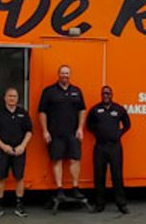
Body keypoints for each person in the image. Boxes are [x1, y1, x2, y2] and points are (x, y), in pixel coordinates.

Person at [38, 64, 87, 201]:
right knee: (57, 160)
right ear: (58, 74)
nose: (65, 75)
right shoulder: (49, 91)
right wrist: (45, 131)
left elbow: (82, 110)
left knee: (75, 159)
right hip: (55, 133)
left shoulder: (77, 91)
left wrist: (80, 128)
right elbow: (42, 112)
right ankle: (59, 189)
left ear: (70, 75)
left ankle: (75, 188)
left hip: (73, 133)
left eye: (67, 73)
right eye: (62, 73)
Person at [0, 87, 32, 217]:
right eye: (10, 96)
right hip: (2, 151)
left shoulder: (23, 113)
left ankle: (19, 205)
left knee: (19, 177)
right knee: (0, 177)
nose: (12, 98)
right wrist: (4, 146)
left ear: (18, 98)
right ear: (5, 98)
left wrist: (22, 146)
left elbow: (29, 131)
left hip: (19, 150)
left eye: (14, 96)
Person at [86, 85, 131, 214]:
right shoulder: (95, 110)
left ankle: (121, 204)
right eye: (104, 94)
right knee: (99, 175)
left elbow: (127, 124)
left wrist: (119, 133)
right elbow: (89, 125)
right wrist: (97, 133)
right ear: (101, 95)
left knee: (117, 175)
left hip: (115, 147)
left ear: (112, 95)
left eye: (108, 94)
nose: (106, 96)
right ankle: (99, 204)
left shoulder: (119, 109)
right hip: (100, 146)